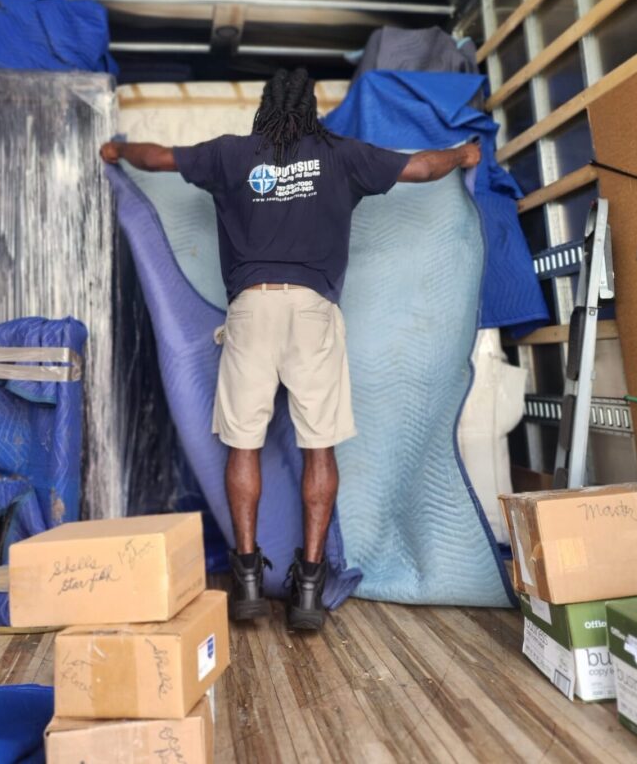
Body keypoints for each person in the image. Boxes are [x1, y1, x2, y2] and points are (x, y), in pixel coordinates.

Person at [101, 67, 480, 630]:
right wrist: (462, 154)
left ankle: (248, 580)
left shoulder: (231, 155)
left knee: (243, 446)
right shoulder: (342, 155)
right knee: (319, 450)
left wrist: (118, 149)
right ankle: (308, 588)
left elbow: (159, 160)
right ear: (311, 110)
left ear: (264, 107)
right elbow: (423, 167)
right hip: (313, 315)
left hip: (250, 312)